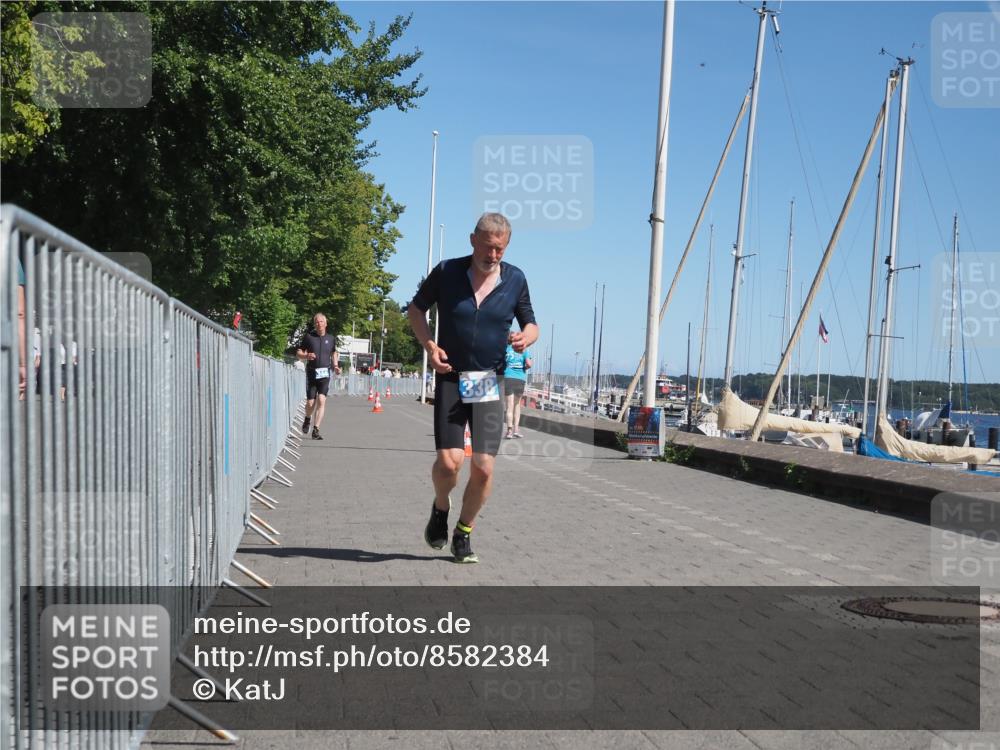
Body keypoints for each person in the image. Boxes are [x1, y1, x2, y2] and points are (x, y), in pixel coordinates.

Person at [407, 213, 538, 563]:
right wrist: (430, 347)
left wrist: (527, 337)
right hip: (451, 375)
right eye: (488, 247)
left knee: (483, 467)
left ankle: (463, 532)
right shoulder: (448, 271)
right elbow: (416, 310)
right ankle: (440, 508)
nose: (493, 255)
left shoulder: (515, 279)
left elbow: (531, 323)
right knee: (449, 464)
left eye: (500, 249)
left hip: (485, 381)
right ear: (472, 240)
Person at [295, 313, 340, 440]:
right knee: (310, 403)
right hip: (312, 373)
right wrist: (306, 356)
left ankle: (316, 429)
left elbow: (333, 352)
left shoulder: (331, 338)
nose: (319, 324)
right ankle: (307, 418)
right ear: (314, 324)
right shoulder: (309, 337)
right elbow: (298, 352)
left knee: (321, 400)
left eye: (321, 322)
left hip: (325, 374)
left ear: (326, 323)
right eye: (316, 322)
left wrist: (335, 365)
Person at [503, 334, 532, 439]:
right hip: (520, 379)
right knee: (517, 405)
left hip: (508, 377)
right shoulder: (524, 349)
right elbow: (529, 364)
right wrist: (523, 367)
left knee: (509, 406)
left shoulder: (506, 349)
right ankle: (516, 429)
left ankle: (509, 431)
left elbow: (501, 363)